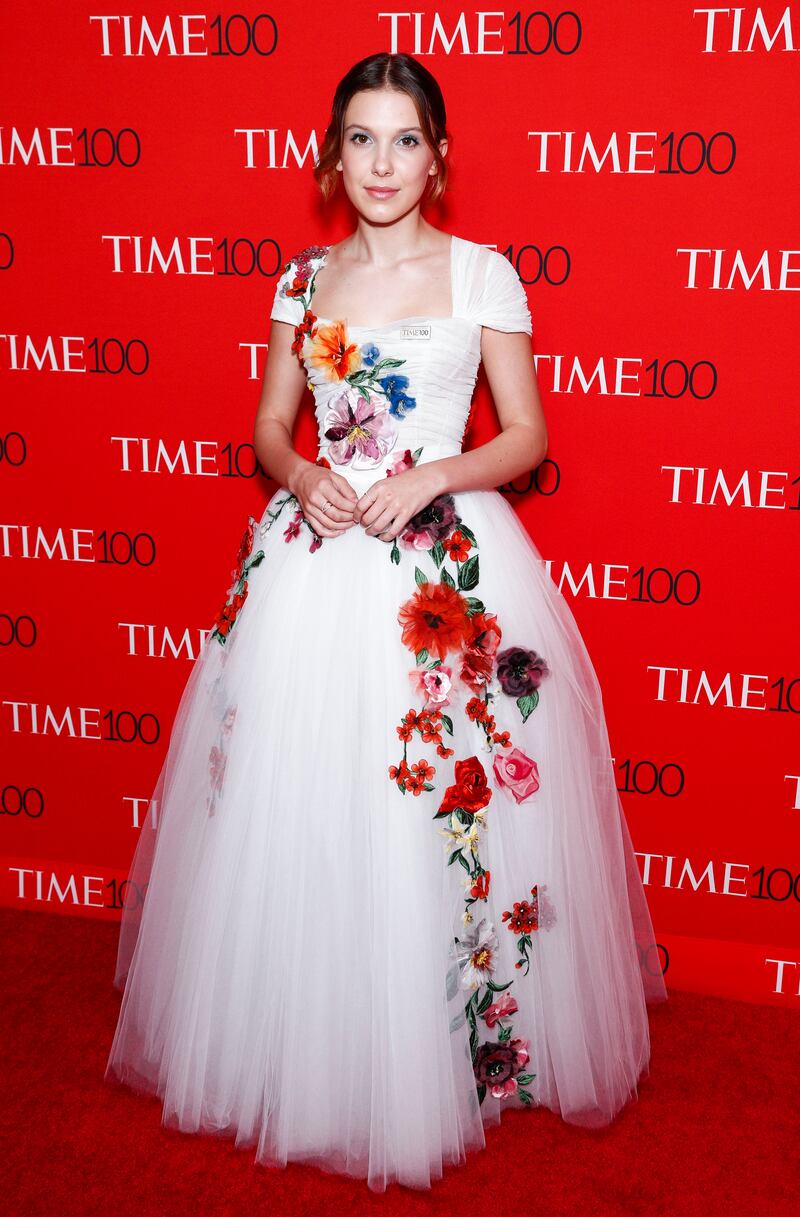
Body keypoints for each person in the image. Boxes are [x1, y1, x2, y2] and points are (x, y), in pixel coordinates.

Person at [105, 50, 668, 1193]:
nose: (380, 162)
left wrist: (434, 477)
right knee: (300, 799)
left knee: (438, 803)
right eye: (359, 138)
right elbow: (269, 423)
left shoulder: (482, 276)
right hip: (311, 561)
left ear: (439, 156)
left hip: (442, 571)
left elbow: (527, 437)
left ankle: (453, 1048)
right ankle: (306, 1036)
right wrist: (298, 471)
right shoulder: (300, 279)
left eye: (403, 139)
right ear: (329, 155)